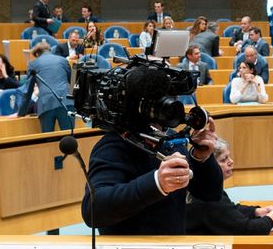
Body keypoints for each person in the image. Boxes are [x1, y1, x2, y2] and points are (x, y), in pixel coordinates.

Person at [81, 96, 222, 234]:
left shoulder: (171, 138)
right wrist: (157, 183)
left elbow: (211, 194)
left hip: (173, 247)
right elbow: (93, 210)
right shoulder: (113, 144)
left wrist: (200, 159)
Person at [185, 139, 273, 235]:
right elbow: (246, 229)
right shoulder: (207, 196)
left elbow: (229, 211)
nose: (231, 161)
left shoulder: (202, 187)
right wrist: (270, 220)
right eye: (224, 159)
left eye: (229, 157)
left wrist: (256, 212)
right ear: (209, 166)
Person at [25, 40, 74, 132]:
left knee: (48, 142)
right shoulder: (63, 60)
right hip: (66, 102)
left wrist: (21, 112)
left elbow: (27, 91)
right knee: (70, 137)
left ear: (36, 54)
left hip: (45, 104)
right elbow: (73, 83)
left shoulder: (33, 64)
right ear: (49, 50)